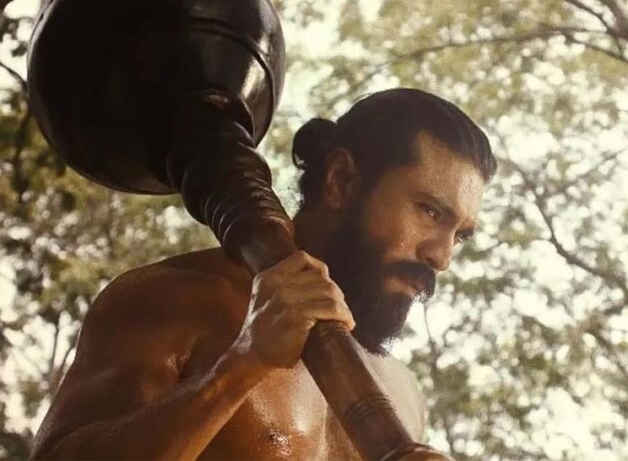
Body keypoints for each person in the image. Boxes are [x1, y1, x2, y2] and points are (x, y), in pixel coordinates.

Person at [31, 88, 497, 460]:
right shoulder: (175, 299)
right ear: (340, 180)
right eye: (429, 211)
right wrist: (240, 367)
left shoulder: (403, 395)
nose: (441, 256)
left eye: (459, 235)